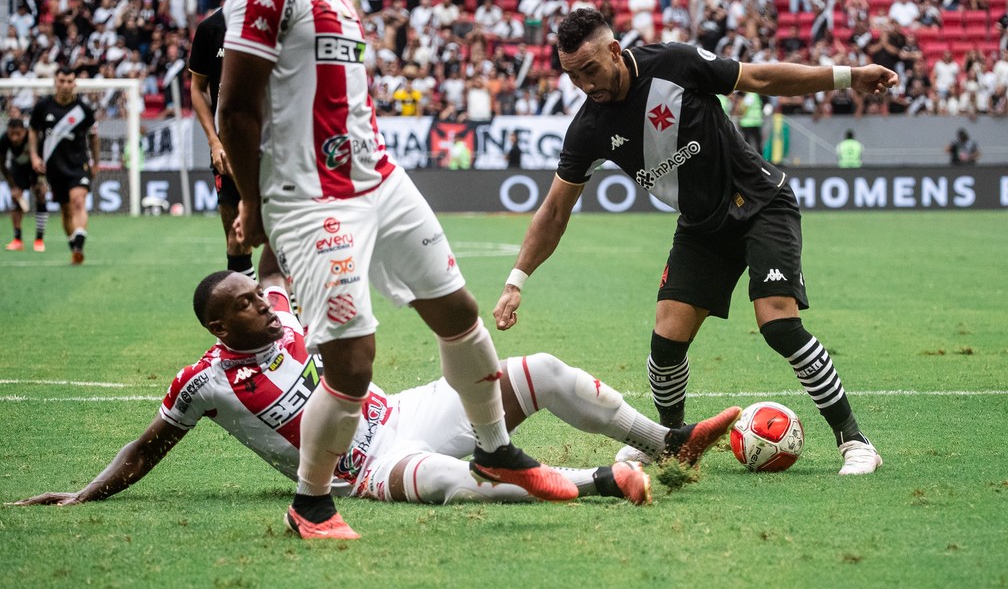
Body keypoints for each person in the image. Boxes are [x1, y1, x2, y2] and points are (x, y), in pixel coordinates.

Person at [217, 0, 576, 540]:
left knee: (459, 313)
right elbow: (236, 106)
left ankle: (493, 448)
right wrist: (251, 202)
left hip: (380, 178)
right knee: (352, 362)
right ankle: (311, 503)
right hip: (313, 198)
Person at [492, 8, 897, 477]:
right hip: (702, 227)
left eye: (590, 70)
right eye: (573, 76)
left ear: (615, 52)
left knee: (778, 324)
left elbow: (760, 78)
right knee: (666, 344)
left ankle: (854, 439)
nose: (585, 84)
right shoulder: (588, 128)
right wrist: (516, 280)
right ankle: (669, 441)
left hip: (760, 203)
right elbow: (555, 211)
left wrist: (848, 77)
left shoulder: (676, 64)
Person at [11, 270, 742, 511]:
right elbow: (148, 446)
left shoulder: (285, 307)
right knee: (449, 481)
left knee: (541, 368)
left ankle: (669, 444)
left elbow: (278, 242)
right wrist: (84, 494)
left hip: (407, 410)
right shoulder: (204, 382)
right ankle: (602, 484)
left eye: (258, 296)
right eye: (244, 303)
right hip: (363, 471)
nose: (262, 304)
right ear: (216, 321)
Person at [188, 0, 264, 281]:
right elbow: (197, 88)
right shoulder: (210, 29)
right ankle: (250, 328)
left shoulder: (281, 26)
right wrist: (214, 141)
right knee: (236, 238)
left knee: (287, 237)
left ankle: (294, 323)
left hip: (273, 147)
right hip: (228, 149)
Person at [27, 66, 99, 265]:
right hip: (53, 167)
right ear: (55, 82)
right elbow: (32, 131)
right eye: (62, 81)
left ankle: (79, 246)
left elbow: (94, 136)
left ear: (74, 84)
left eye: (69, 82)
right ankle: (74, 248)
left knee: (78, 202)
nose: (66, 85)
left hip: (78, 165)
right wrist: (34, 156)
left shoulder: (84, 110)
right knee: (66, 210)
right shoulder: (43, 107)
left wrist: (96, 162)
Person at [1, 118, 49, 251]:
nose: (14, 138)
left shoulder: (35, 138)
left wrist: (42, 179)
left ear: (24, 131)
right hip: (18, 168)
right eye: (11, 134)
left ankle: (39, 239)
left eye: (17, 134)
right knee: (15, 200)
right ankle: (17, 239)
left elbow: (45, 157)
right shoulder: (4, 139)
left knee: (41, 194)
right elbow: (2, 165)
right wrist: (13, 187)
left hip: (37, 168)